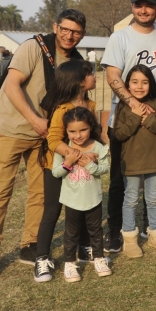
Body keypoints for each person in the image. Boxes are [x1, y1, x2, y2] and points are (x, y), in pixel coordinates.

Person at [0, 9, 86, 282]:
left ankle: (30, 244)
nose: (69, 35)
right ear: (55, 26)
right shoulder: (34, 47)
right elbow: (12, 85)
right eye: (65, 29)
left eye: (76, 32)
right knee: (0, 193)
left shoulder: (77, 61)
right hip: (9, 130)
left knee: (40, 194)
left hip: (44, 137)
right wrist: (35, 119)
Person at [101, 0, 156, 253]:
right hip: (126, 118)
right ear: (132, 7)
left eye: (149, 5)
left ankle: (152, 228)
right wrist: (133, 104)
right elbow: (112, 76)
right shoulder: (119, 37)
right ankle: (116, 231)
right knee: (121, 180)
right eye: (138, 4)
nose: (143, 9)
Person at [33, 60, 96, 283]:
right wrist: (74, 156)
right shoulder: (62, 110)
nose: (94, 77)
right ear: (80, 81)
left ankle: (85, 246)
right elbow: (52, 139)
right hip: (57, 168)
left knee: (84, 204)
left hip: (81, 168)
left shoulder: (91, 105)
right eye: (90, 74)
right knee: (52, 210)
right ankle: (41, 258)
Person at [113, 65, 156, 257]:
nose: (139, 86)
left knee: (153, 198)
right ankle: (130, 238)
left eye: (145, 82)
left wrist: (148, 119)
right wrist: (135, 115)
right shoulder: (124, 107)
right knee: (130, 199)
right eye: (134, 82)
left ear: (151, 84)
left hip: (154, 160)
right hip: (131, 163)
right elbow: (119, 134)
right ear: (127, 85)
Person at [51, 107, 111, 282]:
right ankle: (70, 264)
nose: (78, 135)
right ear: (66, 131)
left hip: (93, 198)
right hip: (72, 200)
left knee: (96, 230)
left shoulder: (99, 147)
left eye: (83, 130)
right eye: (72, 131)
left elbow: (105, 168)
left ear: (90, 127)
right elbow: (56, 173)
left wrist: (90, 165)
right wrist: (68, 162)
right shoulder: (63, 149)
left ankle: (99, 259)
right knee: (71, 232)